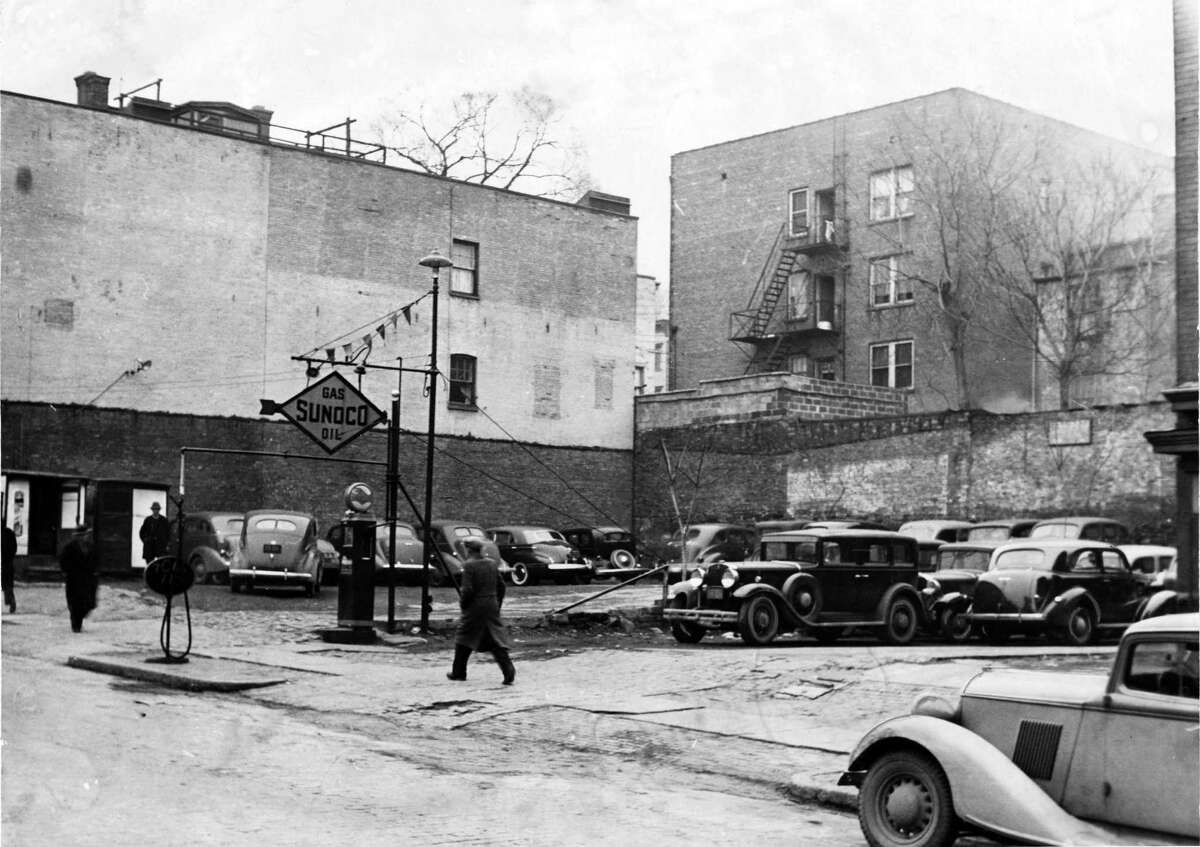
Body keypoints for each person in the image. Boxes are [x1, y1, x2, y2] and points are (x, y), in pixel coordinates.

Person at [447, 537, 515, 685]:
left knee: (464, 637)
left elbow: (467, 590)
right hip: (491, 604)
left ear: (469, 550)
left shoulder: (469, 565)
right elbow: (502, 586)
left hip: (475, 606)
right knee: (495, 637)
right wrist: (497, 603)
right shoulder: (491, 563)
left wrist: (464, 605)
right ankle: (508, 669)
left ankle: (458, 672)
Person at [60, 523, 99, 632]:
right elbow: (63, 561)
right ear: (77, 536)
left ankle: (78, 619)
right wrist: (67, 572)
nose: (84, 537)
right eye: (81, 535)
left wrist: (95, 572)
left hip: (88, 578)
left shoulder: (91, 547)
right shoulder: (70, 547)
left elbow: (95, 560)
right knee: (75, 603)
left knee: (89, 603)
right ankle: (76, 626)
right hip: (74, 578)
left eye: (86, 535)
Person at [2, 522, 17, 613]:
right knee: (8, 584)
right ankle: (11, 600)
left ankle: (10, 600)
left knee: (5, 583)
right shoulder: (9, 533)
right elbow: (14, 548)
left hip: (4, 562)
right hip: (8, 562)